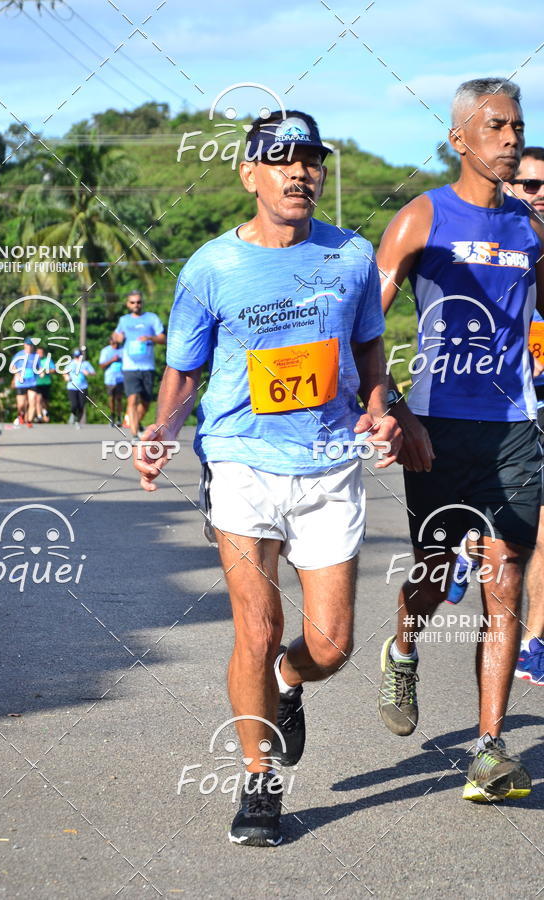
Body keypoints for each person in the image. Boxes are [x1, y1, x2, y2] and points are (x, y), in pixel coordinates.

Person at [133, 109, 401, 846]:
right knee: (257, 626)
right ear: (250, 173)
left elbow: (369, 354)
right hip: (242, 461)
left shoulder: (351, 255)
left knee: (333, 646)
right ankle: (258, 781)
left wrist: (380, 411)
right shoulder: (211, 267)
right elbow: (184, 372)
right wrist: (161, 431)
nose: (299, 172)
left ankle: (289, 682)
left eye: (310, 160)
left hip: (327, 466)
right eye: (281, 160)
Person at [377, 78, 544, 802]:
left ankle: (488, 749)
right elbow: (363, 323)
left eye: (518, 126)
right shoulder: (422, 217)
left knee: (501, 579)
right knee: (434, 572)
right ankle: (404, 644)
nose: (511, 139)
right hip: (438, 425)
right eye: (497, 127)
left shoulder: (532, 229)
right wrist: (383, 403)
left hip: (514, 427)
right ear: (461, 140)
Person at [505, 146, 544, 685]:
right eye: (527, 184)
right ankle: (467, 545)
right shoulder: (488, 248)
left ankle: (535, 640)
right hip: (497, 408)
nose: (538, 193)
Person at [114, 291, 166, 439]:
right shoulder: (124, 320)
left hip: (147, 366)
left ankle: (136, 422)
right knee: (132, 398)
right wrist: (117, 338)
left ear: (142, 303)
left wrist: (150, 337)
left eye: (138, 302)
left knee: (146, 401)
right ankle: (135, 434)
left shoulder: (151, 318)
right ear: (127, 304)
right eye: (132, 302)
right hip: (129, 366)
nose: (136, 305)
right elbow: (116, 336)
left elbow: (163, 338)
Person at [9, 337, 39, 427]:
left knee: (33, 401)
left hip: (32, 382)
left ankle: (29, 421)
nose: (29, 347)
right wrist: (18, 375)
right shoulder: (18, 355)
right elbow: (12, 367)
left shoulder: (35, 356)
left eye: (31, 345)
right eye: (28, 345)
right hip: (21, 382)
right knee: (21, 404)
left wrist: (41, 372)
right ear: (24, 345)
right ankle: (21, 415)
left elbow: (39, 367)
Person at [98, 334, 124, 427]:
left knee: (119, 398)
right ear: (110, 342)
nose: (115, 345)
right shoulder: (105, 351)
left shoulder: (123, 350)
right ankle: (112, 416)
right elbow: (101, 365)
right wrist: (112, 360)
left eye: (116, 343)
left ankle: (119, 417)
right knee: (111, 398)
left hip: (121, 377)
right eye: (113, 343)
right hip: (110, 378)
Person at [64, 348, 94, 427]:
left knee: (81, 405)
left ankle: (78, 421)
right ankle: (73, 414)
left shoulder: (86, 364)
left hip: (83, 387)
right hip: (72, 387)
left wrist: (88, 373)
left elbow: (93, 373)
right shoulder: (70, 364)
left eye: (79, 356)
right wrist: (66, 377)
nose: (77, 358)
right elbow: (64, 373)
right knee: (74, 404)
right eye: (76, 356)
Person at [34, 345, 55, 423]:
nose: (40, 354)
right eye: (38, 352)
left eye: (41, 352)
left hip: (46, 383)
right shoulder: (34, 361)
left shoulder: (48, 360)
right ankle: (39, 416)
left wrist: (46, 371)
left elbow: (54, 369)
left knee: (45, 401)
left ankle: (45, 413)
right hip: (37, 383)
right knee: (38, 399)